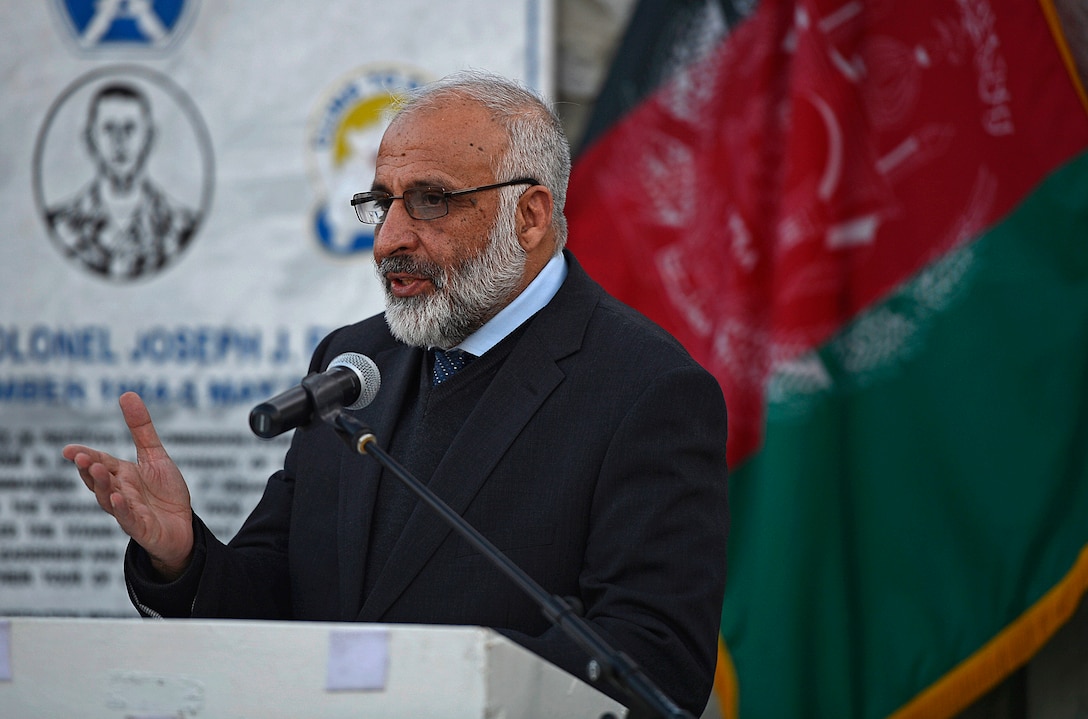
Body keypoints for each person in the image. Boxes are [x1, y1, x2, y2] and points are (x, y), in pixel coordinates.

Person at [63, 71, 729, 715]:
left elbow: (654, 657)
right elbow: (277, 595)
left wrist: (430, 684)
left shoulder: (647, 389)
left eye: (431, 201)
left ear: (528, 216)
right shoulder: (352, 363)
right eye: (383, 202)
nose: (389, 239)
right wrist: (181, 557)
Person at [46, 83, 198, 279]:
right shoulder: (60, 225)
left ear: (149, 137)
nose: (119, 141)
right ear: (90, 139)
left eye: (130, 128)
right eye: (109, 129)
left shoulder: (181, 228)